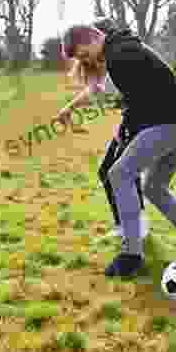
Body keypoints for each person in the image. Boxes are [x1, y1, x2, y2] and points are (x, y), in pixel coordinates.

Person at [58, 23, 176, 277]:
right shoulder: (122, 48)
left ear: (94, 38)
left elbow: (139, 101)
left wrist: (126, 129)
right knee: (153, 187)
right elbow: (138, 97)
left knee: (119, 174)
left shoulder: (119, 55)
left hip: (169, 120)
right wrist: (125, 127)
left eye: (84, 54)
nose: (87, 60)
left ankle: (132, 255)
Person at [66, 18, 149, 240]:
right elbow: (94, 90)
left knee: (122, 172)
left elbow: (121, 95)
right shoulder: (100, 64)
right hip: (129, 119)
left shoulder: (119, 58)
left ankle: (138, 225)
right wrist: (68, 109)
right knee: (108, 171)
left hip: (139, 119)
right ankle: (125, 223)